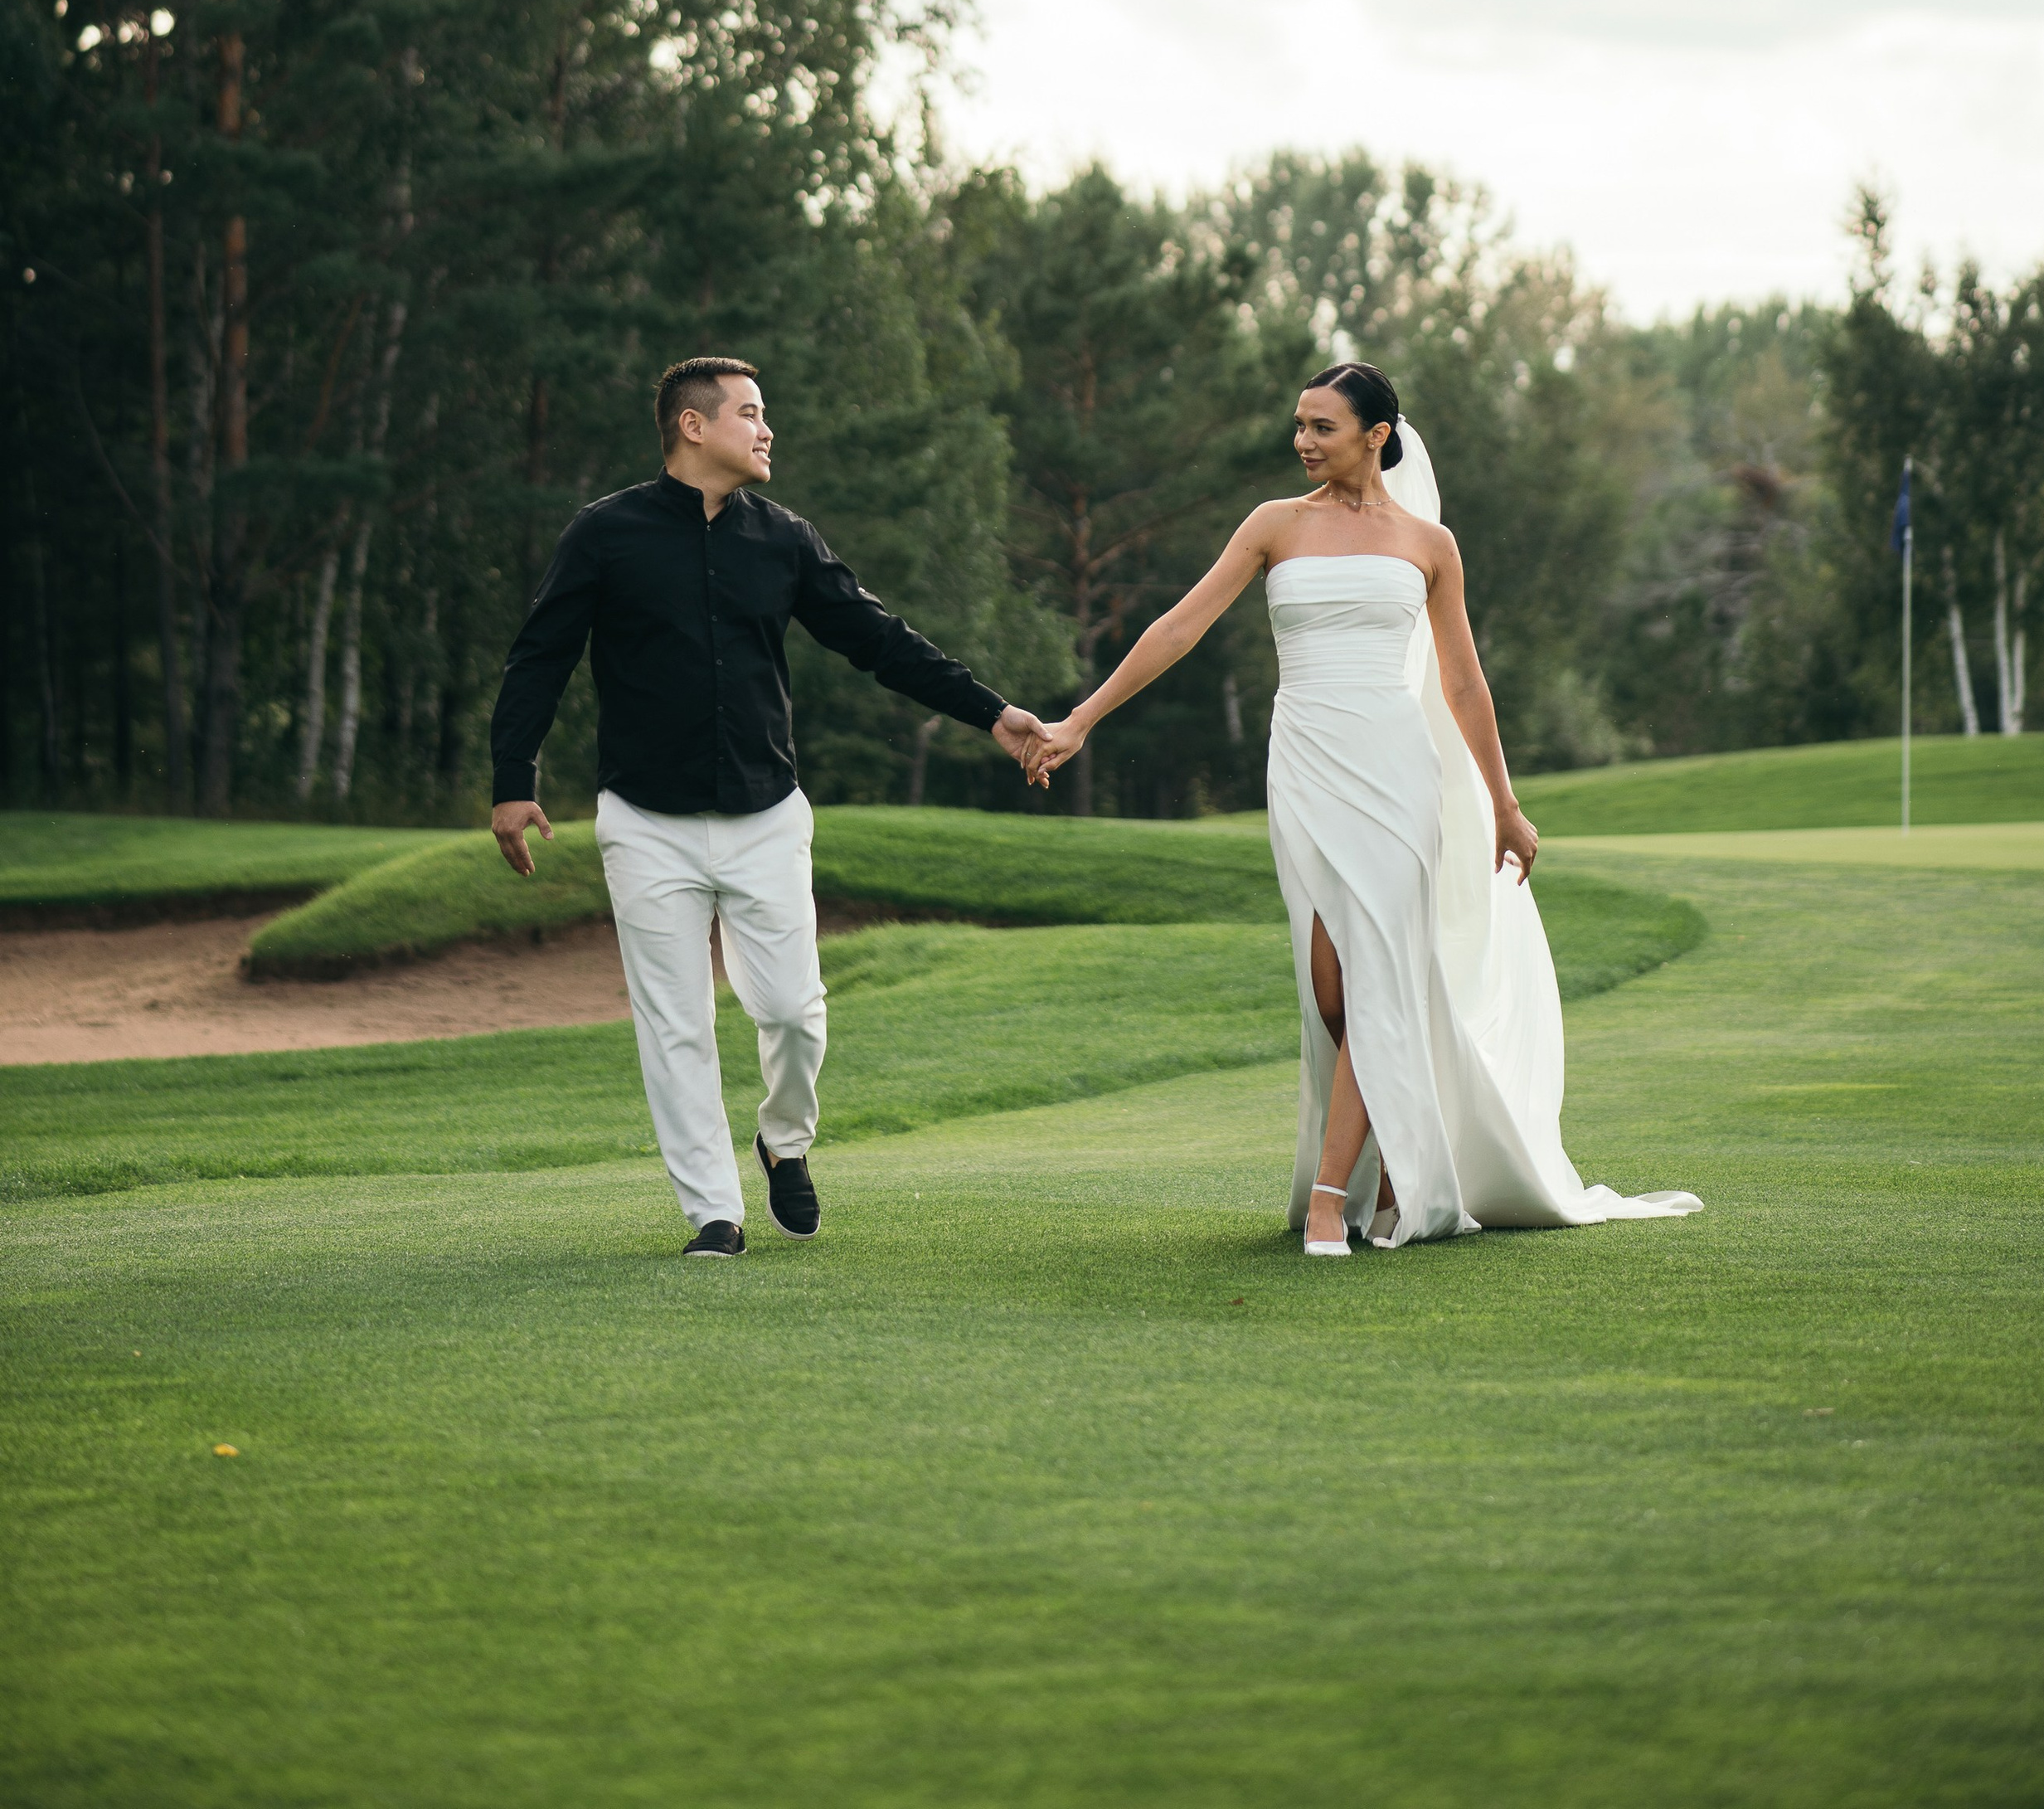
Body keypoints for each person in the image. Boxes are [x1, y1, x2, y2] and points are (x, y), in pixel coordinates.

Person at [1028, 361, 1699, 1252]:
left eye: (1321, 427)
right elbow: (1178, 626)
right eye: (1298, 426)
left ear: (1376, 436)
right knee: (1333, 988)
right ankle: (1390, 1162)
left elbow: (1462, 680)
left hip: (1396, 772)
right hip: (1305, 766)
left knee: (1376, 971)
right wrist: (1081, 719)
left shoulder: (1429, 544)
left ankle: (1330, 1197)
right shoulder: (1273, 525)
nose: (1302, 442)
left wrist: (1503, 802)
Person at [490, 354, 1051, 1258]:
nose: (765, 429)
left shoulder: (783, 538)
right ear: (692, 426)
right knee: (676, 1024)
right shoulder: (605, 533)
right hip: (644, 822)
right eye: (749, 413)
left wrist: (991, 713)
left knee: (792, 1012)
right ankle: (714, 1211)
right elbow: (539, 655)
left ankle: (784, 1140)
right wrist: (512, 780)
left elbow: (878, 639)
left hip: (765, 816)